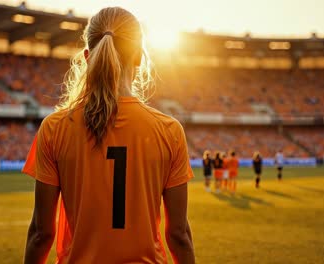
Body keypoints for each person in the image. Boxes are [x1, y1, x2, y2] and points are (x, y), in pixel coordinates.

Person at [22, 7, 195, 264]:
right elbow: (178, 234)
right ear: (138, 57)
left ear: (87, 56)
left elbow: (41, 233)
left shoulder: (55, 127)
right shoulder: (169, 130)